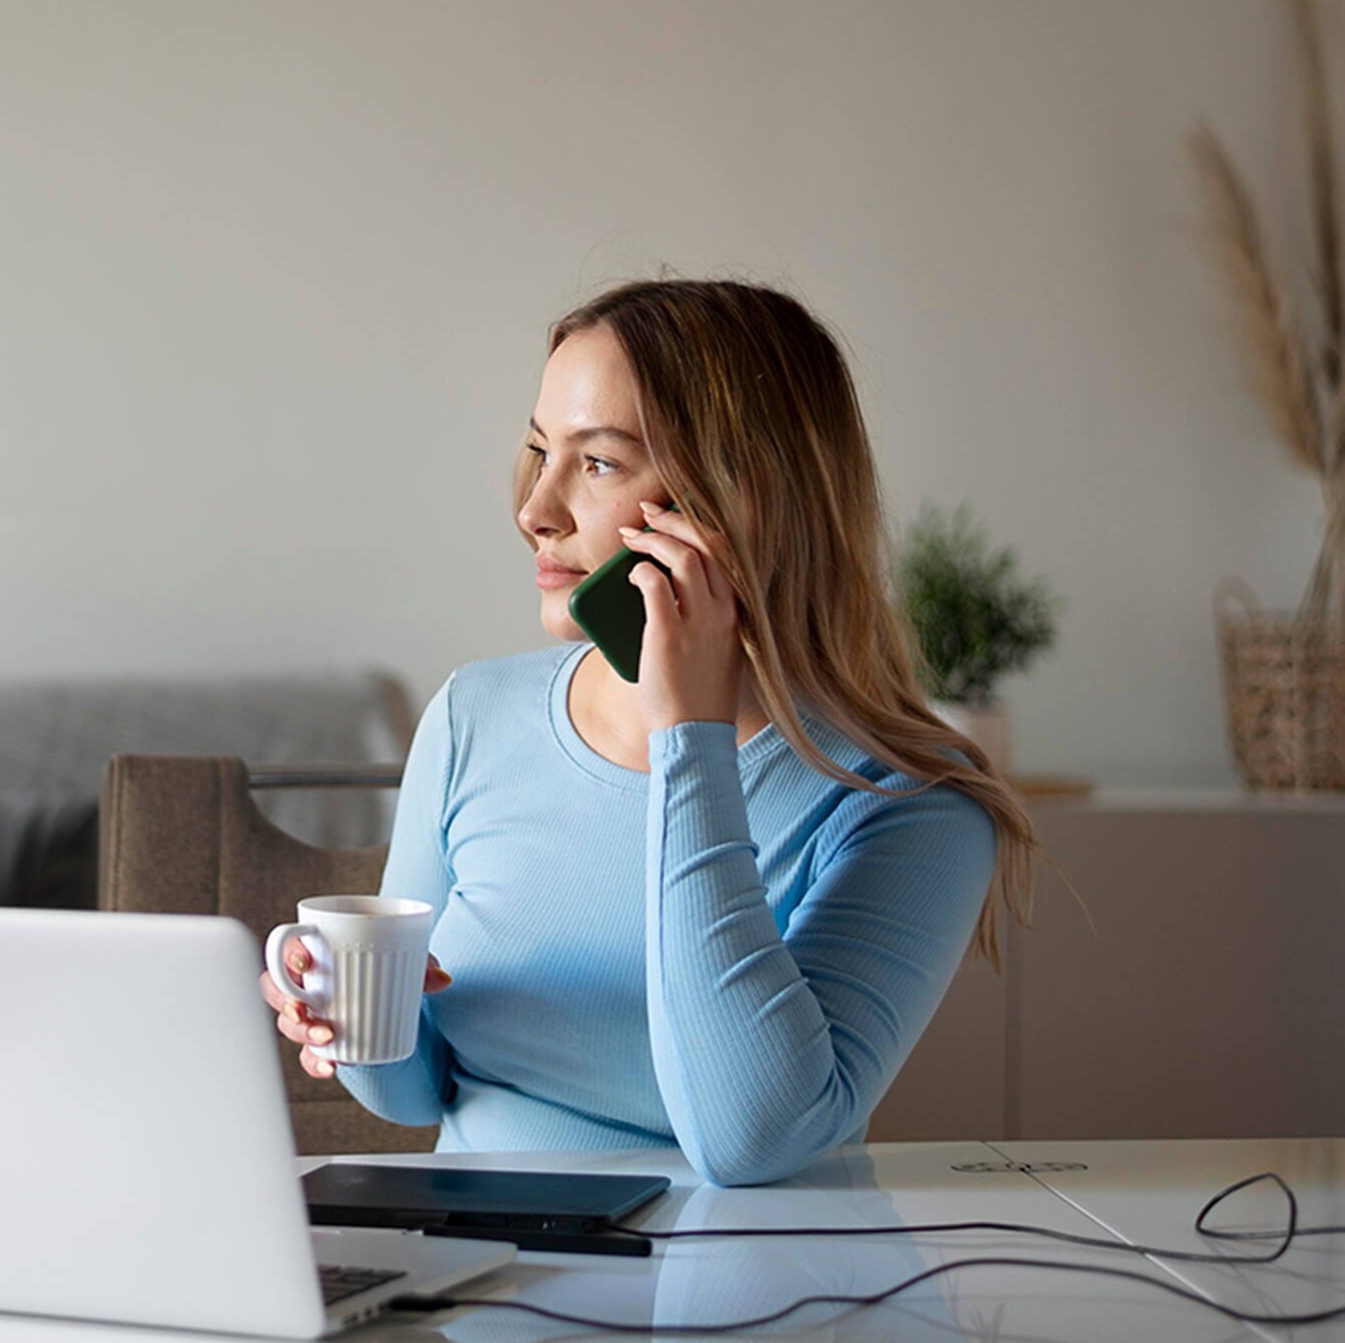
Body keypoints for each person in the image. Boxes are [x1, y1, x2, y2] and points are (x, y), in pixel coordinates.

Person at [259, 278, 1039, 1187]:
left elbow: (751, 1139)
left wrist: (689, 740)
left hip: (754, 1294)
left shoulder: (911, 799)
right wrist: (350, 1022)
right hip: (483, 1273)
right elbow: (418, 1092)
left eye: (596, 463)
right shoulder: (473, 716)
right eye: (540, 451)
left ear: (740, 501)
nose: (535, 510)